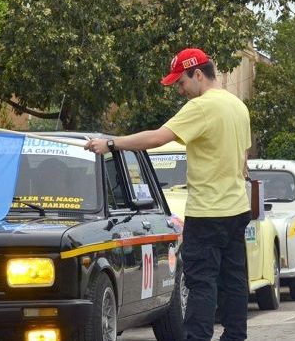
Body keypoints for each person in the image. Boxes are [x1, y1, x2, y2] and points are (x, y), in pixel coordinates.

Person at [84, 47, 251, 341]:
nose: (180, 90)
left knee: (201, 283)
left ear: (198, 74)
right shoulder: (237, 106)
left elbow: (158, 137)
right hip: (236, 210)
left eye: (182, 82)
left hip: (207, 212)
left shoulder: (202, 107)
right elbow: (244, 161)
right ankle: (236, 336)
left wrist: (111, 144)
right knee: (234, 281)